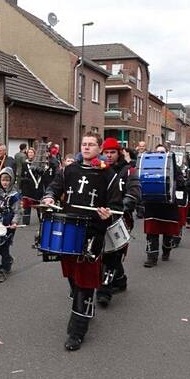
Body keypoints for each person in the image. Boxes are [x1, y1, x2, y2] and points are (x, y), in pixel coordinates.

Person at [42, 132, 122, 351]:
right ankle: (84, 305)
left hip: (93, 233)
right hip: (68, 230)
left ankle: (76, 331)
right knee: (72, 277)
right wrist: (49, 197)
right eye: (84, 144)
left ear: (99, 149)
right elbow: (54, 188)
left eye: (91, 145)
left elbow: (117, 207)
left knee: (85, 281)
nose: (86, 148)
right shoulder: (69, 169)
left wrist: (109, 214)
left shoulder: (109, 175)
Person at [96, 137, 141, 306]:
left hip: (121, 217)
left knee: (114, 252)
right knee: (102, 250)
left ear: (119, 153)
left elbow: (134, 191)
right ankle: (120, 280)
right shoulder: (99, 170)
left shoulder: (129, 171)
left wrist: (122, 207)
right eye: (106, 152)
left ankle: (104, 290)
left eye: (112, 152)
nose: (109, 156)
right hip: (101, 216)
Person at [142, 144, 186, 267]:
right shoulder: (149, 165)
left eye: (162, 152)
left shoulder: (174, 167)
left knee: (168, 232)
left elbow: (181, 182)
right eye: (158, 152)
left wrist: (182, 183)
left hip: (169, 204)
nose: (160, 154)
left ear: (167, 153)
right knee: (152, 232)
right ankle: (152, 258)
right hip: (152, 203)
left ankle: (166, 251)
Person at [19, 147, 44, 225]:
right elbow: (22, 175)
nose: (30, 154)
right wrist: (21, 187)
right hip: (27, 188)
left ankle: (41, 220)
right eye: (29, 152)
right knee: (26, 206)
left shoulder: (38, 164)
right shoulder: (24, 163)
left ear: (34, 154)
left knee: (38, 205)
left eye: (32, 152)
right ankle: (26, 222)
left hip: (37, 187)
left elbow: (41, 175)